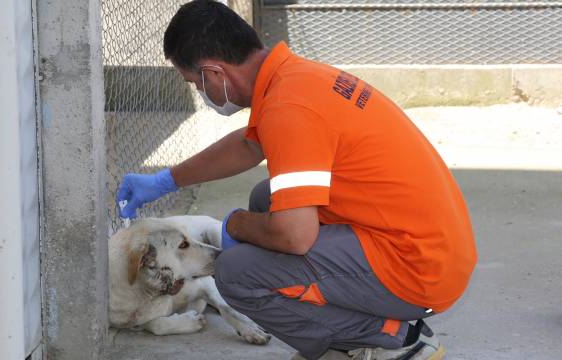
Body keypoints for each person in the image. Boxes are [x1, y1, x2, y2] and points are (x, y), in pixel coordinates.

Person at [115, 1, 477, 359]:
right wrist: (167, 180)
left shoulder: (290, 111)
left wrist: (236, 225)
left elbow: (294, 235)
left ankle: (395, 341)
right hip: (430, 247)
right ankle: (347, 335)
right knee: (266, 199)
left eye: (195, 82)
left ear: (215, 73)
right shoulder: (295, 79)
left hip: (418, 270)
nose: (199, 91)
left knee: (236, 272)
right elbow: (247, 145)